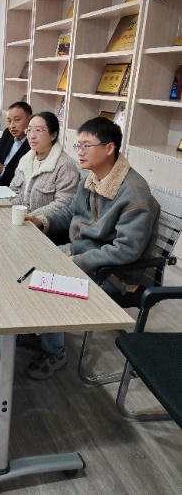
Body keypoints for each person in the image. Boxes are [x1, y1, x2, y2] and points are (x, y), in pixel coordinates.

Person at [24, 117, 160, 380]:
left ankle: (55, 353)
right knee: (29, 262)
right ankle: (40, 329)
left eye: (87, 146)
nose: (80, 152)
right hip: (81, 254)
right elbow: (70, 213)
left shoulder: (134, 194)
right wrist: (42, 221)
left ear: (109, 148)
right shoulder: (91, 178)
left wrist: (76, 262)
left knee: (53, 283)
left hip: (115, 274)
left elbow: (126, 251)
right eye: (78, 145)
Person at [9, 111, 79, 219]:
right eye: (29, 130)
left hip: (43, 226)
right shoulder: (25, 160)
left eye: (38, 130)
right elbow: (13, 190)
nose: (32, 136)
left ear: (53, 135)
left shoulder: (65, 166)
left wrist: (30, 217)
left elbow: (63, 205)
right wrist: (16, 212)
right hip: (19, 219)